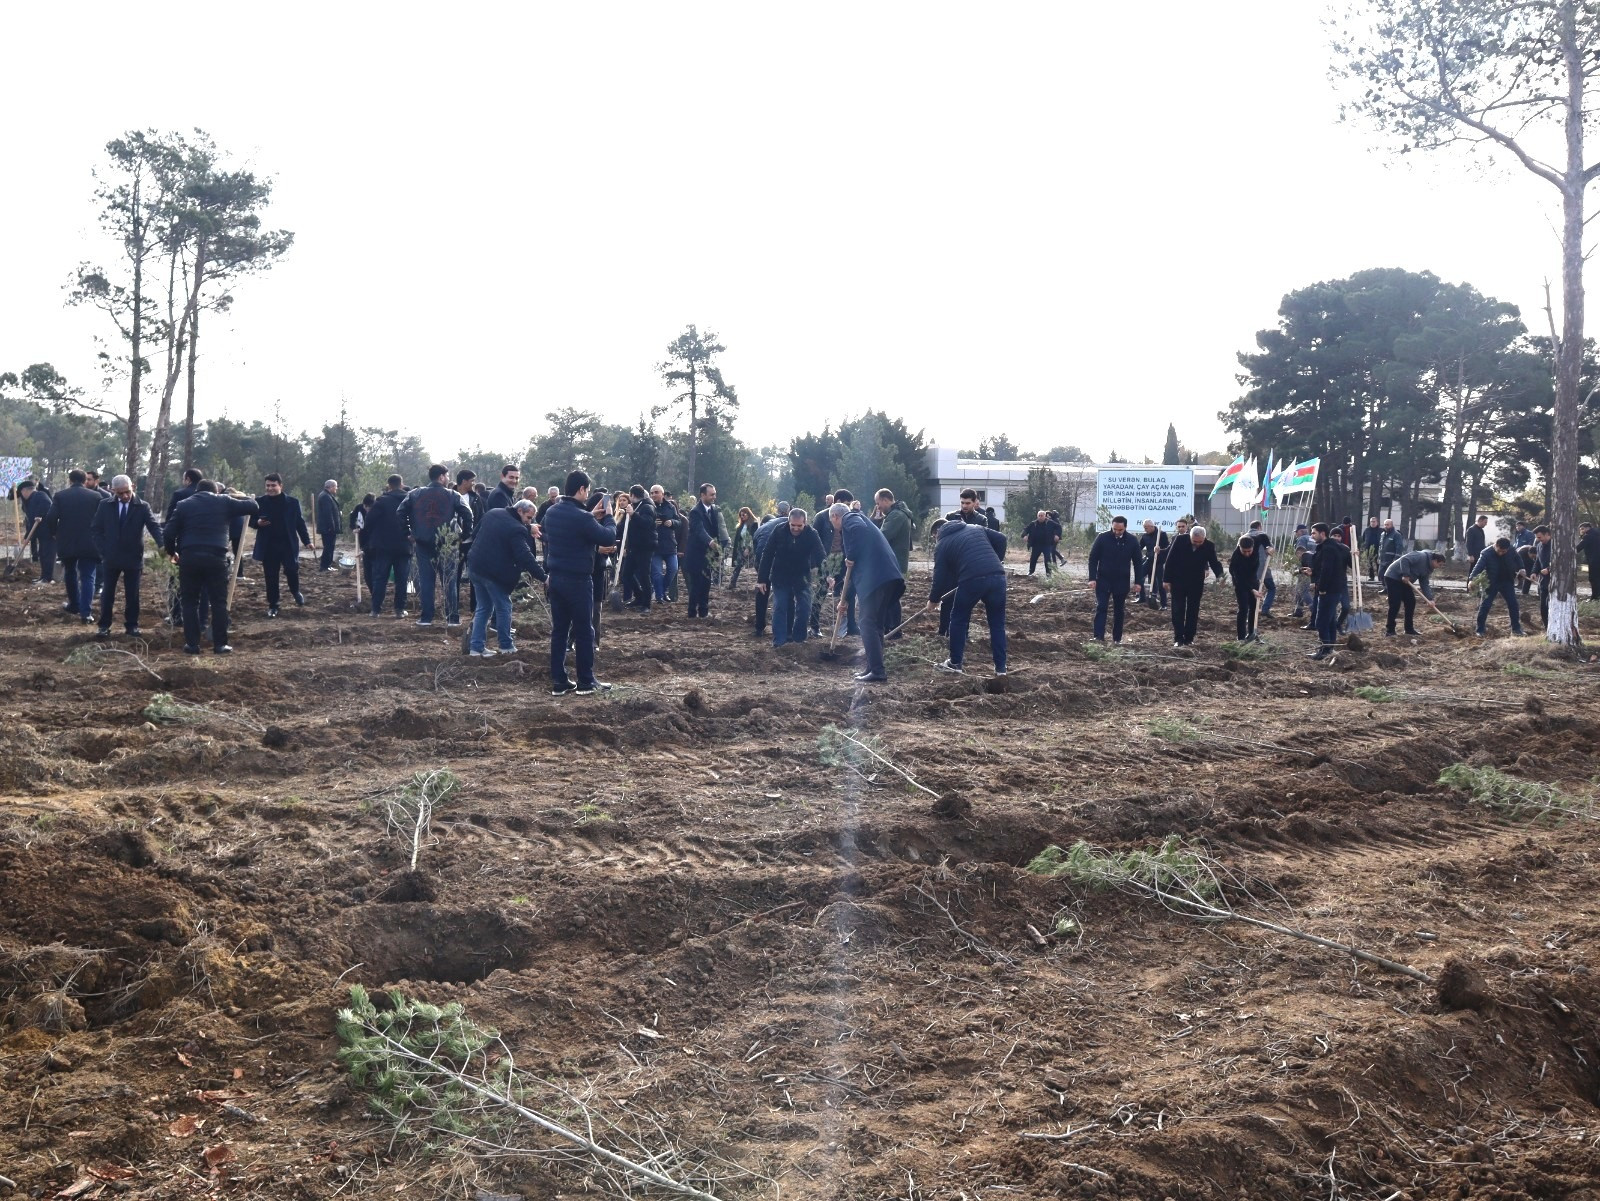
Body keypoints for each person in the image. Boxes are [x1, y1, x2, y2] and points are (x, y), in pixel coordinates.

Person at [163, 480, 259, 654]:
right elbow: (253, 506)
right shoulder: (224, 501)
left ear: (197, 491)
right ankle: (220, 645)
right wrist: (237, 496)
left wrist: (173, 552)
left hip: (189, 557)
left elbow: (168, 533)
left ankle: (192, 645)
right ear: (216, 491)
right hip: (216, 557)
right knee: (218, 602)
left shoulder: (184, 505)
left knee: (189, 602)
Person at [541, 471, 615, 693]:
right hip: (578, 581)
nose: (588, 494)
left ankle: (559, 682)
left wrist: (590, 516)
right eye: (587, 490)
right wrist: (609, 516)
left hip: (555, 578)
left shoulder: (552, 512)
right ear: (581, 489)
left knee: (560, 631)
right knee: (584, 631)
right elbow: (608, 537)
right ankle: (585, 681)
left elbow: (566, 530)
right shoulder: (583, 518)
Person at [832, 501, 904, 684]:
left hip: (876, 579)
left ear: (835, 517)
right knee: (876, 625)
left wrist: (851, 555)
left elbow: (858, 530)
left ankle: (877, 671)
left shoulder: (850, 518)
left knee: (866, 623)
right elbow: (852, 576)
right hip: (887, 577)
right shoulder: (861, 520)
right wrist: (845, 600)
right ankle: (873, 668)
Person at [465, 499, 546, 659]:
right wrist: (543, 577)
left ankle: (476, 648)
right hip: (493, 574)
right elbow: (525, 556)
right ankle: (506, 646)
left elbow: (475, 534)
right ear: (520, 511)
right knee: (504, 607)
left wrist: (527, 527)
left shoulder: (493, 513)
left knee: (484, 608)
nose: (529, 521)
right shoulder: (517, 529)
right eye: (528, 517)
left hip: (475, 567)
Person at [930, 517, 1008, 675]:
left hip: (972, 580)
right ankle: (1001, 669)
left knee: (958, 619)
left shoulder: (942, 544)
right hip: (998, 576)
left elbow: (939, 576)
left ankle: (955, 663)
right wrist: (996, 561)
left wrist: (933, 599)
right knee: (997, 624)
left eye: (934, 537)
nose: (935, 540)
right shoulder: (975, 527)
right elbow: (1002, 538)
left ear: (938, 532)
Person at [89, 474, 163, 638]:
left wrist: (163, 545)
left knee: (132, 594)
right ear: (113, 491)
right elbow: (96, 529)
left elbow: (154, 527)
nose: (124, 496)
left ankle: (132, 625)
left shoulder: (142, 506)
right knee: (107, 593)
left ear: (133, 487)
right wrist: (104, 550)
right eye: (120, 493)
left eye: (127, 492)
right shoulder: (105, 505)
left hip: (133, 557)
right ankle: (104, 626)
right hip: (111, 557)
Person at [400, 465, 472, 627]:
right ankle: (452, 618)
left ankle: (426, 618)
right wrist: (463, 536)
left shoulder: (415, 494)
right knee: (450, 581)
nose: (448, 479)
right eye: (447, 476)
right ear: (441, 477)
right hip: (447, 544)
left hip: (423, 543)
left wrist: (408, 533)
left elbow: (400, 512)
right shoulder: (453, 495)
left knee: (426, 581)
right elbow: (468, 514)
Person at [757, 506, 825, 646]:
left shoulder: (811, 534)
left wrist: (828, 575)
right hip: (780, 575)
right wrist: (762, 579)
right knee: (780, 606)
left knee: (804, 607)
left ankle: (798, 639)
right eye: (793, 525)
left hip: (802, 576)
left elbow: (820, 555)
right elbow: (767, 554)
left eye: (799, 526)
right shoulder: (779, 531)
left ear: (805, 523)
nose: (795, 528)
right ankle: (779, 642)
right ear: (788, 522)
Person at [249, 472, 312, 618]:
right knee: (271, 576)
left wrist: (307, 541)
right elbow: (250, 520)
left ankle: (295, 591)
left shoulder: (292, 502)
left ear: (280, 486)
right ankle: (273, 605)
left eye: (273, 485)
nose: (270, 488)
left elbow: (299, 523)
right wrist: (257, 523)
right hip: (268, 546)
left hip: (288, 544)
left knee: (292, 570)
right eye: (267, 486)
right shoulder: (259, 502)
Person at [47, 469, 104, 623]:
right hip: (90, 542)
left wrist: (54, 533)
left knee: (70, 573)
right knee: (88, 576)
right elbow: (101, 519)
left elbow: (51, 517)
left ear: (70, 480)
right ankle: (86, 613)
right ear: (85, 481)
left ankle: (74, 605)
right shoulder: (96, 496)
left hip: (67, 541)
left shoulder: (60, 496)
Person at [1162, 524, 1223, 647]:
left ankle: (1189, 638)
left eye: (1200, 542)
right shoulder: (1179, 540)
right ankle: (1178, 638)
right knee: (1178, 609)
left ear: (1204, 538)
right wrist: (1166, 580)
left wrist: (1220, 576)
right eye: (1195, 541)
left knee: (1193, 610)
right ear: (1190, 537)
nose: (1198, 544)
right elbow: (1170, 560)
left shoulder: (1209, 546)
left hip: (1196, 582)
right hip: (1178, 580)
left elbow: (1214, 562)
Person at [1087, 515, 1143, 644]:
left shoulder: (1132, 541)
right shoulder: (1102, 538)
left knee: (1119, 610)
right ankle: (1098, 637)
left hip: (1121, 581)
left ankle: (1117, 639)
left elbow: (1138, 563)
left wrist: (1138, 582)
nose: (1117, 532)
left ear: (1125, 527)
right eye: (1114, 529)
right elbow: (1093, 558)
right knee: (1101, 607)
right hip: (1103, 579)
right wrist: (1092, 578)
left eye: (1120, 530)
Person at [366, 475, 413, 618]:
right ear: (402, 484)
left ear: (389, 485)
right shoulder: (409, 500)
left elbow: (369, 522)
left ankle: (375, 610)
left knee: (380, 578)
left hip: (383, 546)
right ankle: (399, 610)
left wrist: (374, 537)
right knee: (402, 579)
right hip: (404, 545)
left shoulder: (381, 501)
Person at [1306, 522, 1352, 659]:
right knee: (1331, 621)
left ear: (1322, 533)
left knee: (1321, 622)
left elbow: (1327, 570)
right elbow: (1324, 568)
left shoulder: (1328, 549)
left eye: (1314, 533)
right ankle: (1329, 649)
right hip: (1334, 589)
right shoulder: (1331, 547)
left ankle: (1324, 650)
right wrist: (1313, 572)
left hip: (1329, 590)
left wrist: (1322, 588)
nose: (1312, 536)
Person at [874, 488, 914, 636]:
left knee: (889, 598)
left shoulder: (896, 515)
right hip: (894, 563)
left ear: (885, 500)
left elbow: (882, 536)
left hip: (893, 563)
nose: (878, 507)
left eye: (878, 503)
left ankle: (893, 631)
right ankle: (891, 630)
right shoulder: (897, 514)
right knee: (890, 598)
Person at [1468, 535, 1525, 636]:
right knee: (1485, 605)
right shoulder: (1486, 553)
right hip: (1491, 582)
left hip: (1507, 581)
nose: (1501, 553)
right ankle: (1480, 630)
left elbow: (1517, 558)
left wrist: (1522, 568)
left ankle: (1516, 629)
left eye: (1504, 552)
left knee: (1513, 604)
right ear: (1496, 545)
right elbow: (1478, 566)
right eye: (1499, 551)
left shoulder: (1511, 549)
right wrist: (1472, 579)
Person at [684, 482, 726, 618]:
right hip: (696, 554)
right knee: (696, 584)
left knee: (706, 584)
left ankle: (703, 611)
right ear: (702, 495)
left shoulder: (714, 510)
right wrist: (710, 541)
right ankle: (692, 612)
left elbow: (717, 530)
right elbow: (699, 530)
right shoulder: (695, 512)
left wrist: (720, 545)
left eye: (715, 494)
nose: (714, 497)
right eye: (711, 494)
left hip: (708, 555)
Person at [1382, 548, 1446, 636]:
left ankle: (1409, 629)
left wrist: (1430, 599)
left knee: (1411, 602)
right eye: (1440, 564)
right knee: (1395, 604)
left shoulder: (1429, 569)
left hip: (1405, 581)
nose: (1440, 567)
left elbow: (1424, 583)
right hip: (1393, 577)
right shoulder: (1420, 556)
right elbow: (1404, 559)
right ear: (1434, 560)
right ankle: (1390, 630)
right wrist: (1405, 574)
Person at [751, 502, 789, 637]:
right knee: (784, 590)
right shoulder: (792, 523)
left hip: (761, 557)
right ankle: (785, 628)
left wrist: (762, 576)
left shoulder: (761, 528)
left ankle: (759, 627)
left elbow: (756, 552)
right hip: (774, 557)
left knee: (762, 589)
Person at [623, 485, 657, 610]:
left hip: (645, 547)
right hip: (635, 546)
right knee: (626, 574)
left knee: (644, 575)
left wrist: (633, 514)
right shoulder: (637, 506)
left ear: (632, 495)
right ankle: (639, 597)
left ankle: (646, 604)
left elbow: (646, 523)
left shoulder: (647, 507)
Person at [1227, 536, 1266, 642]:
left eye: (1249, 551)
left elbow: (1263, 538)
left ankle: (1252, 634)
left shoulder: (1255, 543)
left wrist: (1269, 547)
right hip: (1240, 583)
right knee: (1243, 608)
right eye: (1244, 551)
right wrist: (1252, 590)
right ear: (1239, 547)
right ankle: (1241, 637)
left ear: (1253, 547)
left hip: (1253, 580)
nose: (1247, 553)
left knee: (1254, 607)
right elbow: (1239, 578)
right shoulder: (1236, 558)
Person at [16, 480, 55, 585]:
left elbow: (47, 506)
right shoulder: (29, 501)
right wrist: (27, 536)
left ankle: (48, 578)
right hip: (41, 532)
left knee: (48, 555)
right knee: (42, 554)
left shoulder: (40, 495)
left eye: (21, 492)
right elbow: (31, 521)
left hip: (49, 531)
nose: (22, 495)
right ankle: (43, 577)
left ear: (25, 490)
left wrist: (39, 515)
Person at [1138, 520, 1170, 609]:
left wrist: (1160, 550)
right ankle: (1142, 597)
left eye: (1146, 528)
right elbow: (1139, 547)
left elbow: (1167, 548)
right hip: (1149, 560)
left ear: (1152, 526)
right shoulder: (1144, 536)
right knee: (1139, 576)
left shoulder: (1161, 534)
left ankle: (1164, 605)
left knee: (1160, 583)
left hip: (1159, 562)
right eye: (1144, 528)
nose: (1145, 530)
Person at [1246, 519, 1275, 616]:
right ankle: (1265, 609)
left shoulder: (1244, 537)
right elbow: (1271, 549)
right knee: (1271, 588)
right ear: (1259, 527)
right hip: (1262, 568)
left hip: (1248, 569)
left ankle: (1250, 611)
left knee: (1250, 590)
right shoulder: (1262, 535)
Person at [727, 507, 760, 590]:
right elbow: (738, 539)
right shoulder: (740, 526)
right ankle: (732, 583)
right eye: (740, 515)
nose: (742, 517)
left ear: (748, 514)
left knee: (757, 565)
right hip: (741, 548)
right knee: (738, 565)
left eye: (744, 515)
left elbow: (753, 537)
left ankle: (762, 581)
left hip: (752, 548)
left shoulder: (754, 524)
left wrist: (748, 548)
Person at [314, 480, 342, 570]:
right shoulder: (325, 496)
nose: (336, 488)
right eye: (336, 486)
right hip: (328, 528)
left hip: (328, 528)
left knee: (330, 547)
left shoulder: (327, 495)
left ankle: (327, 565)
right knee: (328, 547)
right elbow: (328, 514)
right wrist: (331, 527)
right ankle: (324, 566)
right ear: (331, 487)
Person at [1532, 524, 1554, 626]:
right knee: (1543, 605)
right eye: (1537, 537)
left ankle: (1553, 625)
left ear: (1547, 534)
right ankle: (1546, 626)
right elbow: (1538, 561)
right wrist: (1534, 572)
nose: (1538, 539)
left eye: (1540, 537)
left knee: (1550, 604)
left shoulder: (1556, 546)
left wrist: (1549, 569)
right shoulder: (1539, 546)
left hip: (1555, 581)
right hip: (1543, 581)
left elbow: (1561, 562)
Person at [1024, 510, 1055, 576]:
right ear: (1037, 516)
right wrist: (1025, 535)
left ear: (1045, 516)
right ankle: (1031, 571)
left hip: (1046, 545)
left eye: (1042, 516)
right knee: (1033, 558)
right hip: (1036, 545)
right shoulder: (1033, 523)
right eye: (1039, 516)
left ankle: (1048, 574)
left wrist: (1057, 535)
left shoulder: (1050, 523)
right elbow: (1026, 529)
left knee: (1047, 559)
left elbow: (1058, 527)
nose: (1040, 517)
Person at [1579, 521, 1600, 599]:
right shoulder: (1597, 533)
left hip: (1594, 560)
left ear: (1588, 528)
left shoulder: (1588, 536)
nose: (1581, 531)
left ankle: (1595, 596)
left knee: (1593, 578)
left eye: (1582, 529)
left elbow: (1579, 547)